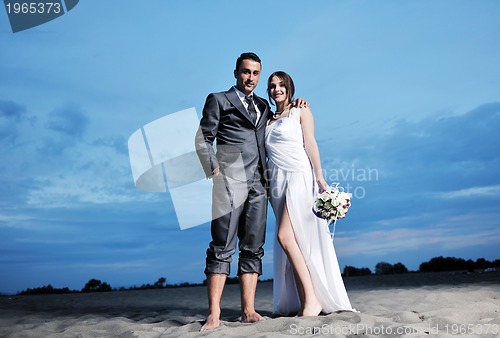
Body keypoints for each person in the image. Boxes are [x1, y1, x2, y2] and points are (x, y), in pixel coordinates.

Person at [195, 53, 308, 331]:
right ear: (236, 72)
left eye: (256, 73)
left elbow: (281, 117)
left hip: (260, 185)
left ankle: (248, 311)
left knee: (253, 248)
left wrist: (296, 104)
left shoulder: (262, 105)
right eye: (246, 72)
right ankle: (214, 314)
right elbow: (203, 137)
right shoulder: (219, 99)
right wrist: (214, 169)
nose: (250, 78)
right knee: (222, 247)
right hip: (229, 183)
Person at [265, 71, 354, 316]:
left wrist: (319, 176)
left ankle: (313, 299)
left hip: (298, 175)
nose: (277, 89)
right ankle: (306, 299)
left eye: (281, 85)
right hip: (276, 183)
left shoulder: (300, 110)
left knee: (285, 236)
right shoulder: (267, 119)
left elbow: (310, 143)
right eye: (272, 86)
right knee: (294, 241)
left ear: (289, 87)